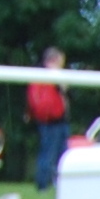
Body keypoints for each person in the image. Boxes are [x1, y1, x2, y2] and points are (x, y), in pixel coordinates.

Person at [27, 48, 70, 191]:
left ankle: (45, 184)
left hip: (46, 120)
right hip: (54, 120)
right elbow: (65, 88)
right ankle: (45, 185)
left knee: (49, 153)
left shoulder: (38, 77)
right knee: (53, 154)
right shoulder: (52, 75)